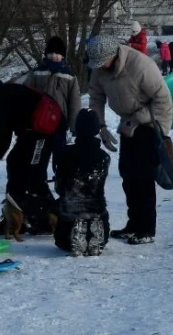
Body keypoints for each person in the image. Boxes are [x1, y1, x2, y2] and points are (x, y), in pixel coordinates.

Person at [88, 35, 173, 246]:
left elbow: (163, 98)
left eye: (102, 63)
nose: (99, 68)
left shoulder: (141, 65)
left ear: (113, 55)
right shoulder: (100, 69)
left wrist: (158, 131)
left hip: (149, 122)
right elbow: (95, 97)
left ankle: (146, 228)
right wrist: (100, 126)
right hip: (127, 122)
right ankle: (133, 223)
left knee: (142, 177)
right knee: (128, 174)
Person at [0, 75, 59, 236]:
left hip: (45, 129)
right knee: (15, 162)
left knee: (34, 174)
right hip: (29, 131)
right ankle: (13, 221)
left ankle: (51, 221)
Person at [53, 109, 111, 257]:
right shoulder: (104, 157)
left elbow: (60, 186)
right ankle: (95, 230)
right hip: (97, 209)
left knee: (61, 241)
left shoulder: (65, 153)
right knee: (96, 205)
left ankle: (77, 230)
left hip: (70, 213)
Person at [24, 36, 81, 176]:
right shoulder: (37, 72)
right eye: (51, 53)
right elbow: (26, 94)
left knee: (60, 155)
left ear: (63, 55)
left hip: (59, 123)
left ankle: (61, 179)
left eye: (58, 53)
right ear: (46, 54)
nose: (54, 56)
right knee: (38, 156)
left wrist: (74, 126)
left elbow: (75, 102)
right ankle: (37, 180)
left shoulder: (69, 76)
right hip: (40, 122)